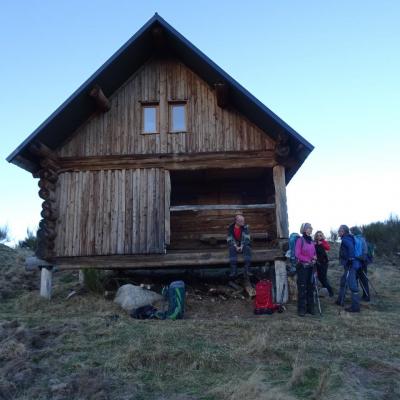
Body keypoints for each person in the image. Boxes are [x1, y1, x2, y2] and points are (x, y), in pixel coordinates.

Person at [336, 225, 360, 312]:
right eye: (339, 230)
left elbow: (350, 248)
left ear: (344, 231)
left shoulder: (346, 239)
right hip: (350, 265)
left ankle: (355, 307)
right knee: (343, 281)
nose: (339, 232)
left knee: (352, 285)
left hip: (351, 265)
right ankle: (340, 300)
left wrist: (350, 259)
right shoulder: (348, 238)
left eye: (340, 230)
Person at [295, 223, 317, 316]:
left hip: (311, 267)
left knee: (310, 287)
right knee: (302, 288)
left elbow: (314, 253)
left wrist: (315, 258)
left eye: (311, 228)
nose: (310, 229)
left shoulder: (312, 242)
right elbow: (297, 254)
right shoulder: (300, 240)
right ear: (304, 229)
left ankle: (310, 308)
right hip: (303, 268)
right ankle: (301, 309)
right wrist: (308, 259)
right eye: (308, 228)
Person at [227, 214, 251, 279]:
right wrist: (235, 246)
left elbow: (247, 238)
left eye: (243, 220)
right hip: (235, 245)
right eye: (241, 221)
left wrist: (242, 246)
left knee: (247, 248)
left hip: (243, 244)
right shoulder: (230, 228)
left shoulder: (245, 228)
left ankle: (247, 269)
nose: (243, 222)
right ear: (236, 221)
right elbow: (229, 239)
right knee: (231, 249)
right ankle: (233, 270)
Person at [350, 226, 370, 302]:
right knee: (358, 279)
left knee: (362, 280)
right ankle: (359, 296)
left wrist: (357, 257)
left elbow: (364, 252)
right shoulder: (360, 238)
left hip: (361, 262)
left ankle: (366, 296)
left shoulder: (360, 239)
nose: (351, 233)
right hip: (359, 261)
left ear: (354, 231)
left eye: (351, 231)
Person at [314, 231, 334, 297]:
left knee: (323, 278)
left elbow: (328, 248)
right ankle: (325, 291)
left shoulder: (323, 242)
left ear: (322, 236)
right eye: (317, 235)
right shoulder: (314, 243)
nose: (319, 237)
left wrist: (321, 243)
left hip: (323, 263)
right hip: (317, 262)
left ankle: (330, 292)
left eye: (320, 235)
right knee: (320, 277)